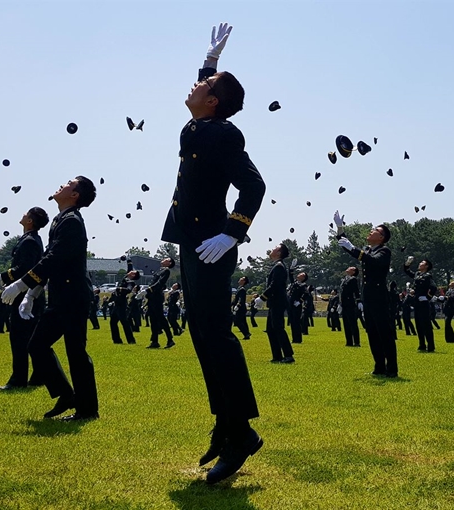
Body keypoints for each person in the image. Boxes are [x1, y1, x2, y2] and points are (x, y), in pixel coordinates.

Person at [160, 23, 265, 484]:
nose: (195, 85)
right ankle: (225, 427)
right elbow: (205, 95)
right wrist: (211, 62)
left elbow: (254, 186)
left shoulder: (222, 134)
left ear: (214, 102)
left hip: (210, 246)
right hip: (192, 243)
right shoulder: (202, 124)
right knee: (202, 340)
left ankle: (241, 434)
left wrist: (232, 235)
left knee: (217, 340)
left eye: (203, 85)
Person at [1, 176, 99, 421]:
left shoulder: (72, 221)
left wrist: (22, 284)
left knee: (76, 353)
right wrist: (32, 295)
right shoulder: (61, 220)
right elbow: (52, 264)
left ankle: (87, 410)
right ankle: (67, 396)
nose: (62, 185)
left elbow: (53, 259)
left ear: (75, 195)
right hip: (61, 297)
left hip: (73, 297)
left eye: (69, 183)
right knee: (37, 345)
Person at [334, 211, 397, 377]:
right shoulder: (369, 250)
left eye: (375, 230)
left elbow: (372, 261)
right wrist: (340, 228)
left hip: (379, 298)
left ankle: (392, 368)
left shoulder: (384, 251)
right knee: (372, 333)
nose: (371, 231)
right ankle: (379, 366)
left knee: (384, 333)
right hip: (368, 297)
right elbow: (345, 243)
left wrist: (353, 248)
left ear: (381, 237)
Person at [0, 207, 49, 390]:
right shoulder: (32, 240)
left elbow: (24, 268)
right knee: (31, 338)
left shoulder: (29, 241)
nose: (23, 215)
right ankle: (39, 375)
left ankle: (19, 379)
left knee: (19, 338)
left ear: (30, 221)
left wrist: (5, 276)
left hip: (26, 294)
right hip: (31, 293)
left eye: (26, 214)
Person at [256, 244, 294, 363]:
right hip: (274, 302)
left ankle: (288, 355)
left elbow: (275, 285)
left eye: (274, 248)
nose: (271, 249)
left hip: (277, 301)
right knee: (271, 329)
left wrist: (262, 297)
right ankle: (277, 356)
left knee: (278, 328)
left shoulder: (279, 266)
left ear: (278, 253)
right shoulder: (278, 266)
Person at [403, 257, 437, 351]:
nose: (419, 263)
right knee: (418, 324)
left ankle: (430, 345)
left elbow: (433, 287)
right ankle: (422, 344)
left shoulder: (427, 276)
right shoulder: (417, 274)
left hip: (423, 302)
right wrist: (407, 263)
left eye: (422, 262)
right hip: (416, 302)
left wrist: (427, 297)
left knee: (426, 324)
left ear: (426, 266)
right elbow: (407, 271)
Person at [144, 258, 174, 349]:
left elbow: (160, 283)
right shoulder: (160, 270)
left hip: (157, 297)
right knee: (153, 319)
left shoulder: (166, 271)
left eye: (166, 259)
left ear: (169, 263)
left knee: (161, 318)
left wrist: (149, 289)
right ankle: (154, 341)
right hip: (152, 297)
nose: (163, 259)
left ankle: (170, 339)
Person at [339, 267, 361, 347]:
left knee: (353, 323)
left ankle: (356, 341)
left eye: (350, 268)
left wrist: (358, 301)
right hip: (344, 303)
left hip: (350, 303)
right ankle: (349, 341)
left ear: (353, 271)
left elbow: (356, 291)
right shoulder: (345, 279)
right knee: (346, 323)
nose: (347, 269)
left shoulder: (353, 279)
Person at [288, 270, 307, 344]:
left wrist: (300, 301)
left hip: (297, 305)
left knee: (296, 322)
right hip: (291, 304)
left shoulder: (303, 285)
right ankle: (294, 339)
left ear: (303, 277)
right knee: (292, 322)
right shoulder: (295, 283)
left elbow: (305, 294)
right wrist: (291, 269)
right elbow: (291, 277)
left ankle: (298, 339)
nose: (299, 274)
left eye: (301, 274)